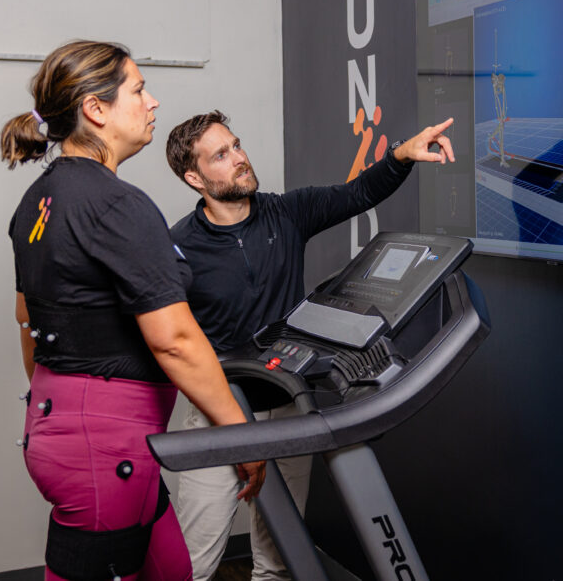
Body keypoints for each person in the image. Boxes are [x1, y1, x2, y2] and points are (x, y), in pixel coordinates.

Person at [2, 41, 266, 581]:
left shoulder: (37, 201)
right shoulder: (116, 204)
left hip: (65, 426)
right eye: (139, 89)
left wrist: (66, 410)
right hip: (104, 446)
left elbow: (27, 321)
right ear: (96, 110)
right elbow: (176, 340)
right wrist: (242, 434)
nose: (153, 102)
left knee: (170, 570)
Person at [164, 110, 455, 581]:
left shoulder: (286, 212)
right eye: (222, 154)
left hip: (287, 403)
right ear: (194, 177)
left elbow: (358, 192)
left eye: (237, 145)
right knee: (191, 566)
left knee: (278, 559)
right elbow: (168, 339)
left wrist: (403, 153)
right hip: (221, 411)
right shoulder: (178, 247)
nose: (240, 158)